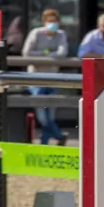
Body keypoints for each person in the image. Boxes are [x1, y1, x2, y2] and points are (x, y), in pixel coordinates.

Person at [21, 9, 68, 145]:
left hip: (53, 78)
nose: (52, 24)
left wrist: (43, 56)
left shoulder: (61, 34)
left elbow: (62, 52)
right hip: (36, 79)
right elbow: (26, 52)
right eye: (50, 22)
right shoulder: (36, 33)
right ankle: (59, 136)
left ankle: (44, 142)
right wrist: (48, 53)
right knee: (42, 117)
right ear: (44, 22)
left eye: (55, 21)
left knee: (51, 115)